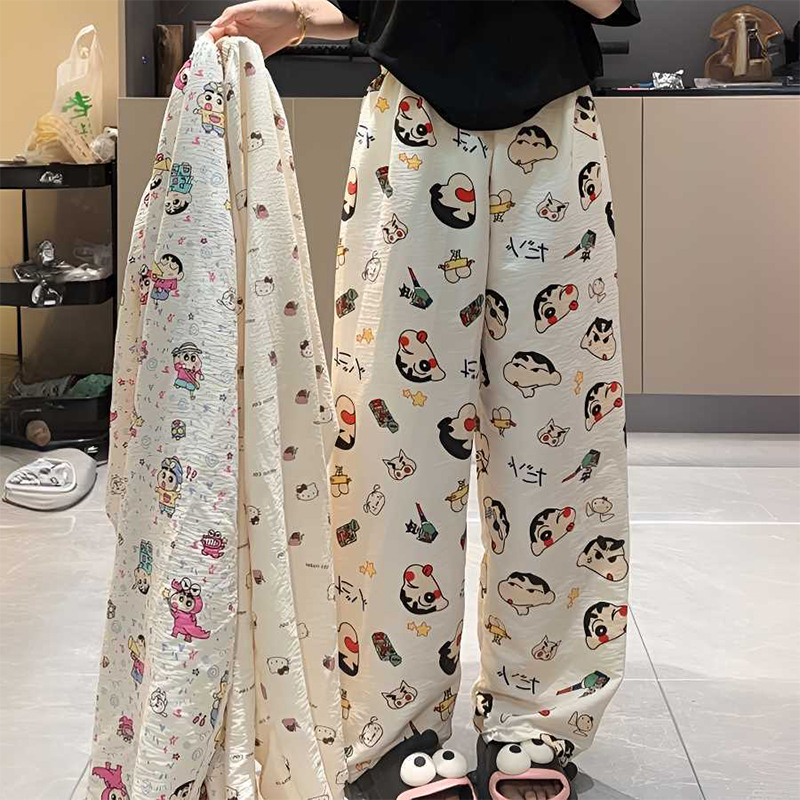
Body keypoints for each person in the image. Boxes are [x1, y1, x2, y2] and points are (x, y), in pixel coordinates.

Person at [212, 2, 640, 798]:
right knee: (388, 439)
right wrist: (301, 15)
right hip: (412, 120)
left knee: (558, 439)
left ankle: (540, 714)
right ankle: (391, 722)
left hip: (550, 127)